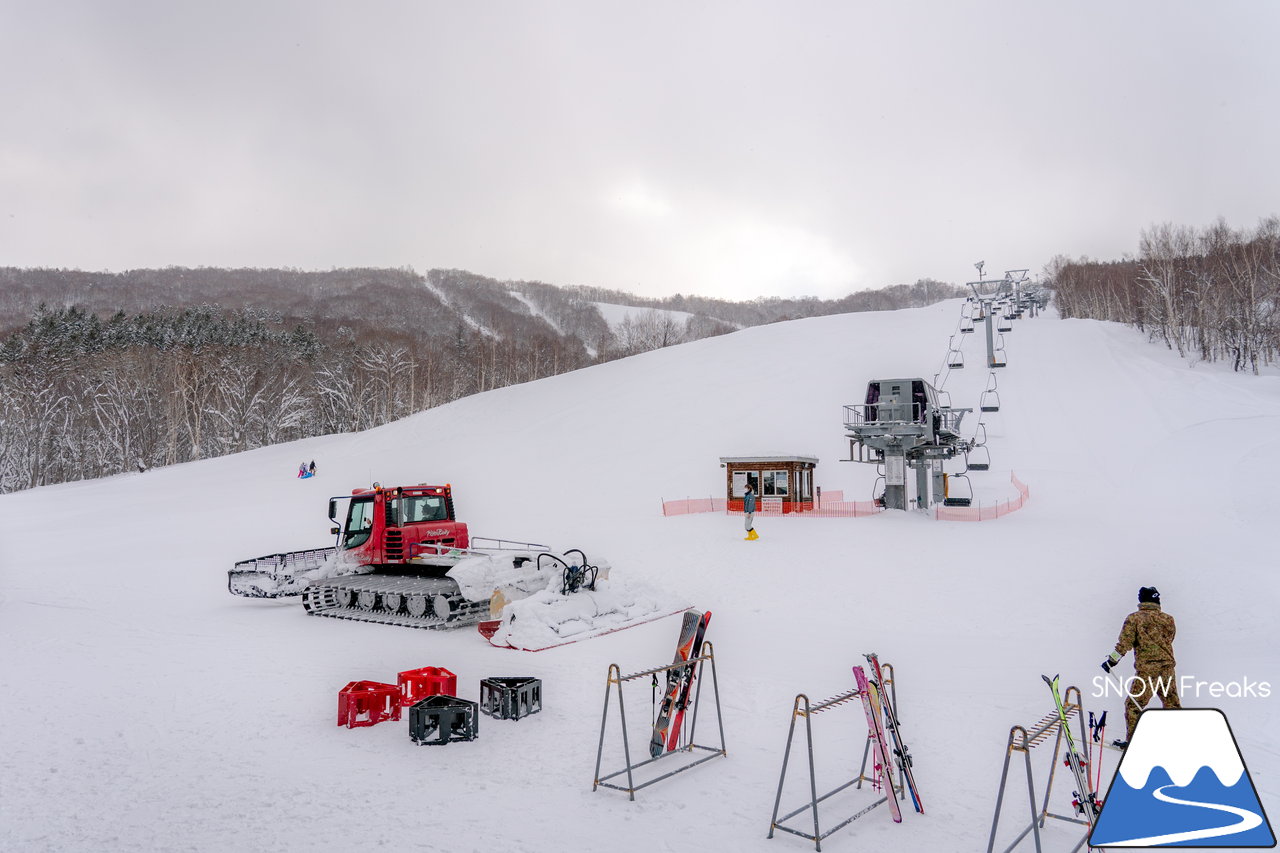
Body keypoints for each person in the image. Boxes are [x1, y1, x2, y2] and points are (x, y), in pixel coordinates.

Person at [1101, 586, 1180, 747]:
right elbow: (1170, 639)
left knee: (1133, 706)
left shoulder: (1134, 619)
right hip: (1167, 669)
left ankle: (1134, 744)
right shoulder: (1168, 619)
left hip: (1147, 671)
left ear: (1141, 600)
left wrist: (1111, 661)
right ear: (1157, 600)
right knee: (1171, 704)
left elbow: (1124, 644)